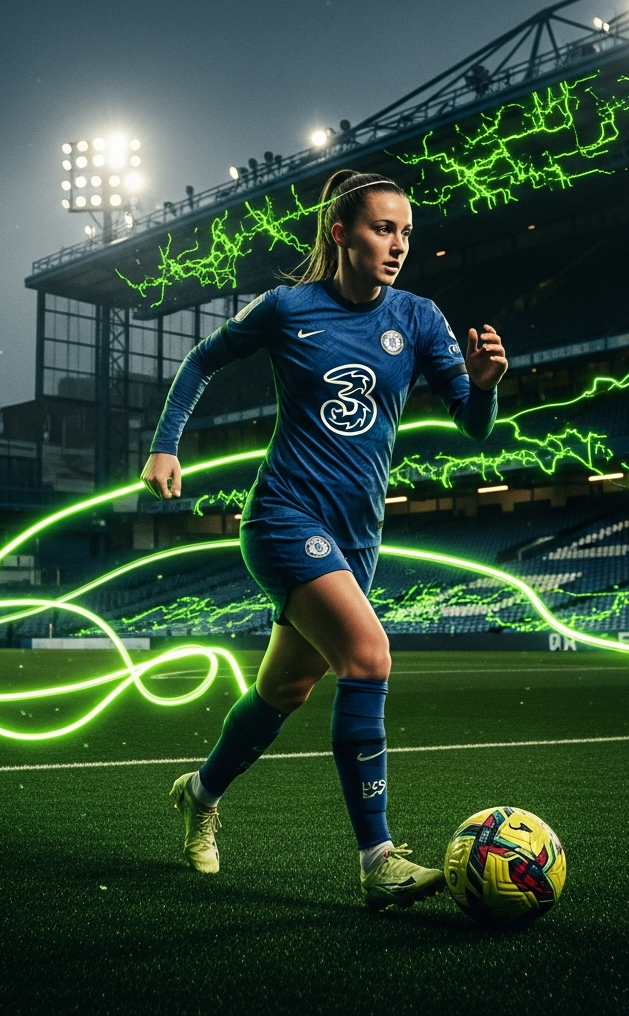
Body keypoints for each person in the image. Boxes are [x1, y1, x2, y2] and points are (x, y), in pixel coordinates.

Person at [141, 169, 507, 910]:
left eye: (406, 232)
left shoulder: (421, 318)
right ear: (340, 233)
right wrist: (164, 443)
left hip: (356, 539)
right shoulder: (288, 308)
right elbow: (201, 361)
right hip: (282, 520)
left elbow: (472, 423)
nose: (398, 244)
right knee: (369, 657)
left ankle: (200, 792)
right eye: (381, 228)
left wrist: (485, 385)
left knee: (285, 689)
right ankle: (377, 859)